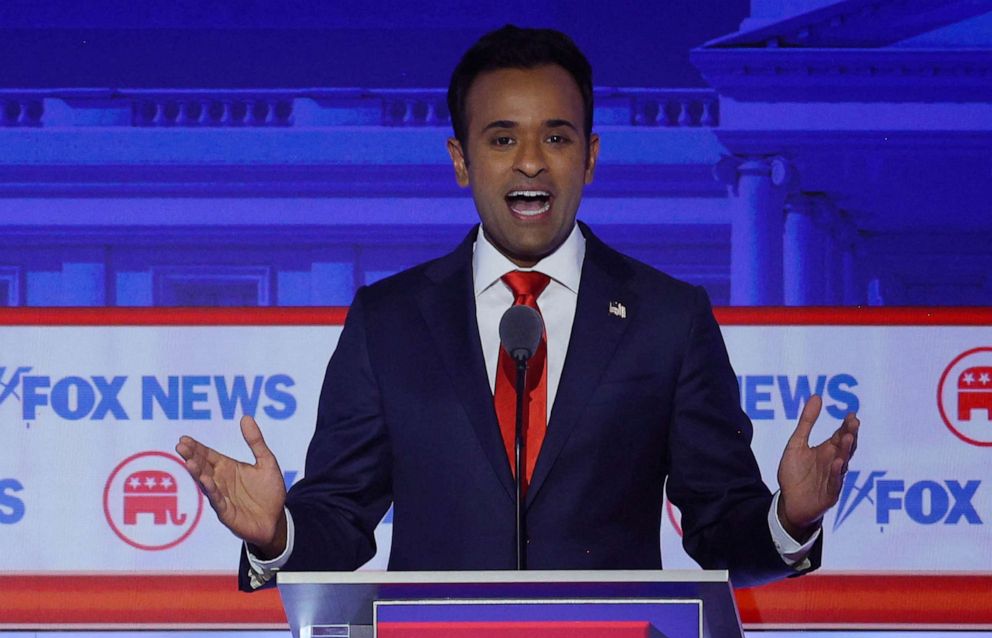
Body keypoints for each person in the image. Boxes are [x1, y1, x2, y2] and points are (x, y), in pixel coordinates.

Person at [176, 25, 858, 589]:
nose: (531, 162)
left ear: (590, 158)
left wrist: (788, 520)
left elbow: (720, 527)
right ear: (461, 160)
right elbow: (340, 516)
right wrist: (278, 533)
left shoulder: (667, 319)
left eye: (556, 138)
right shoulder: (388, 321)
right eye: (502, 139)